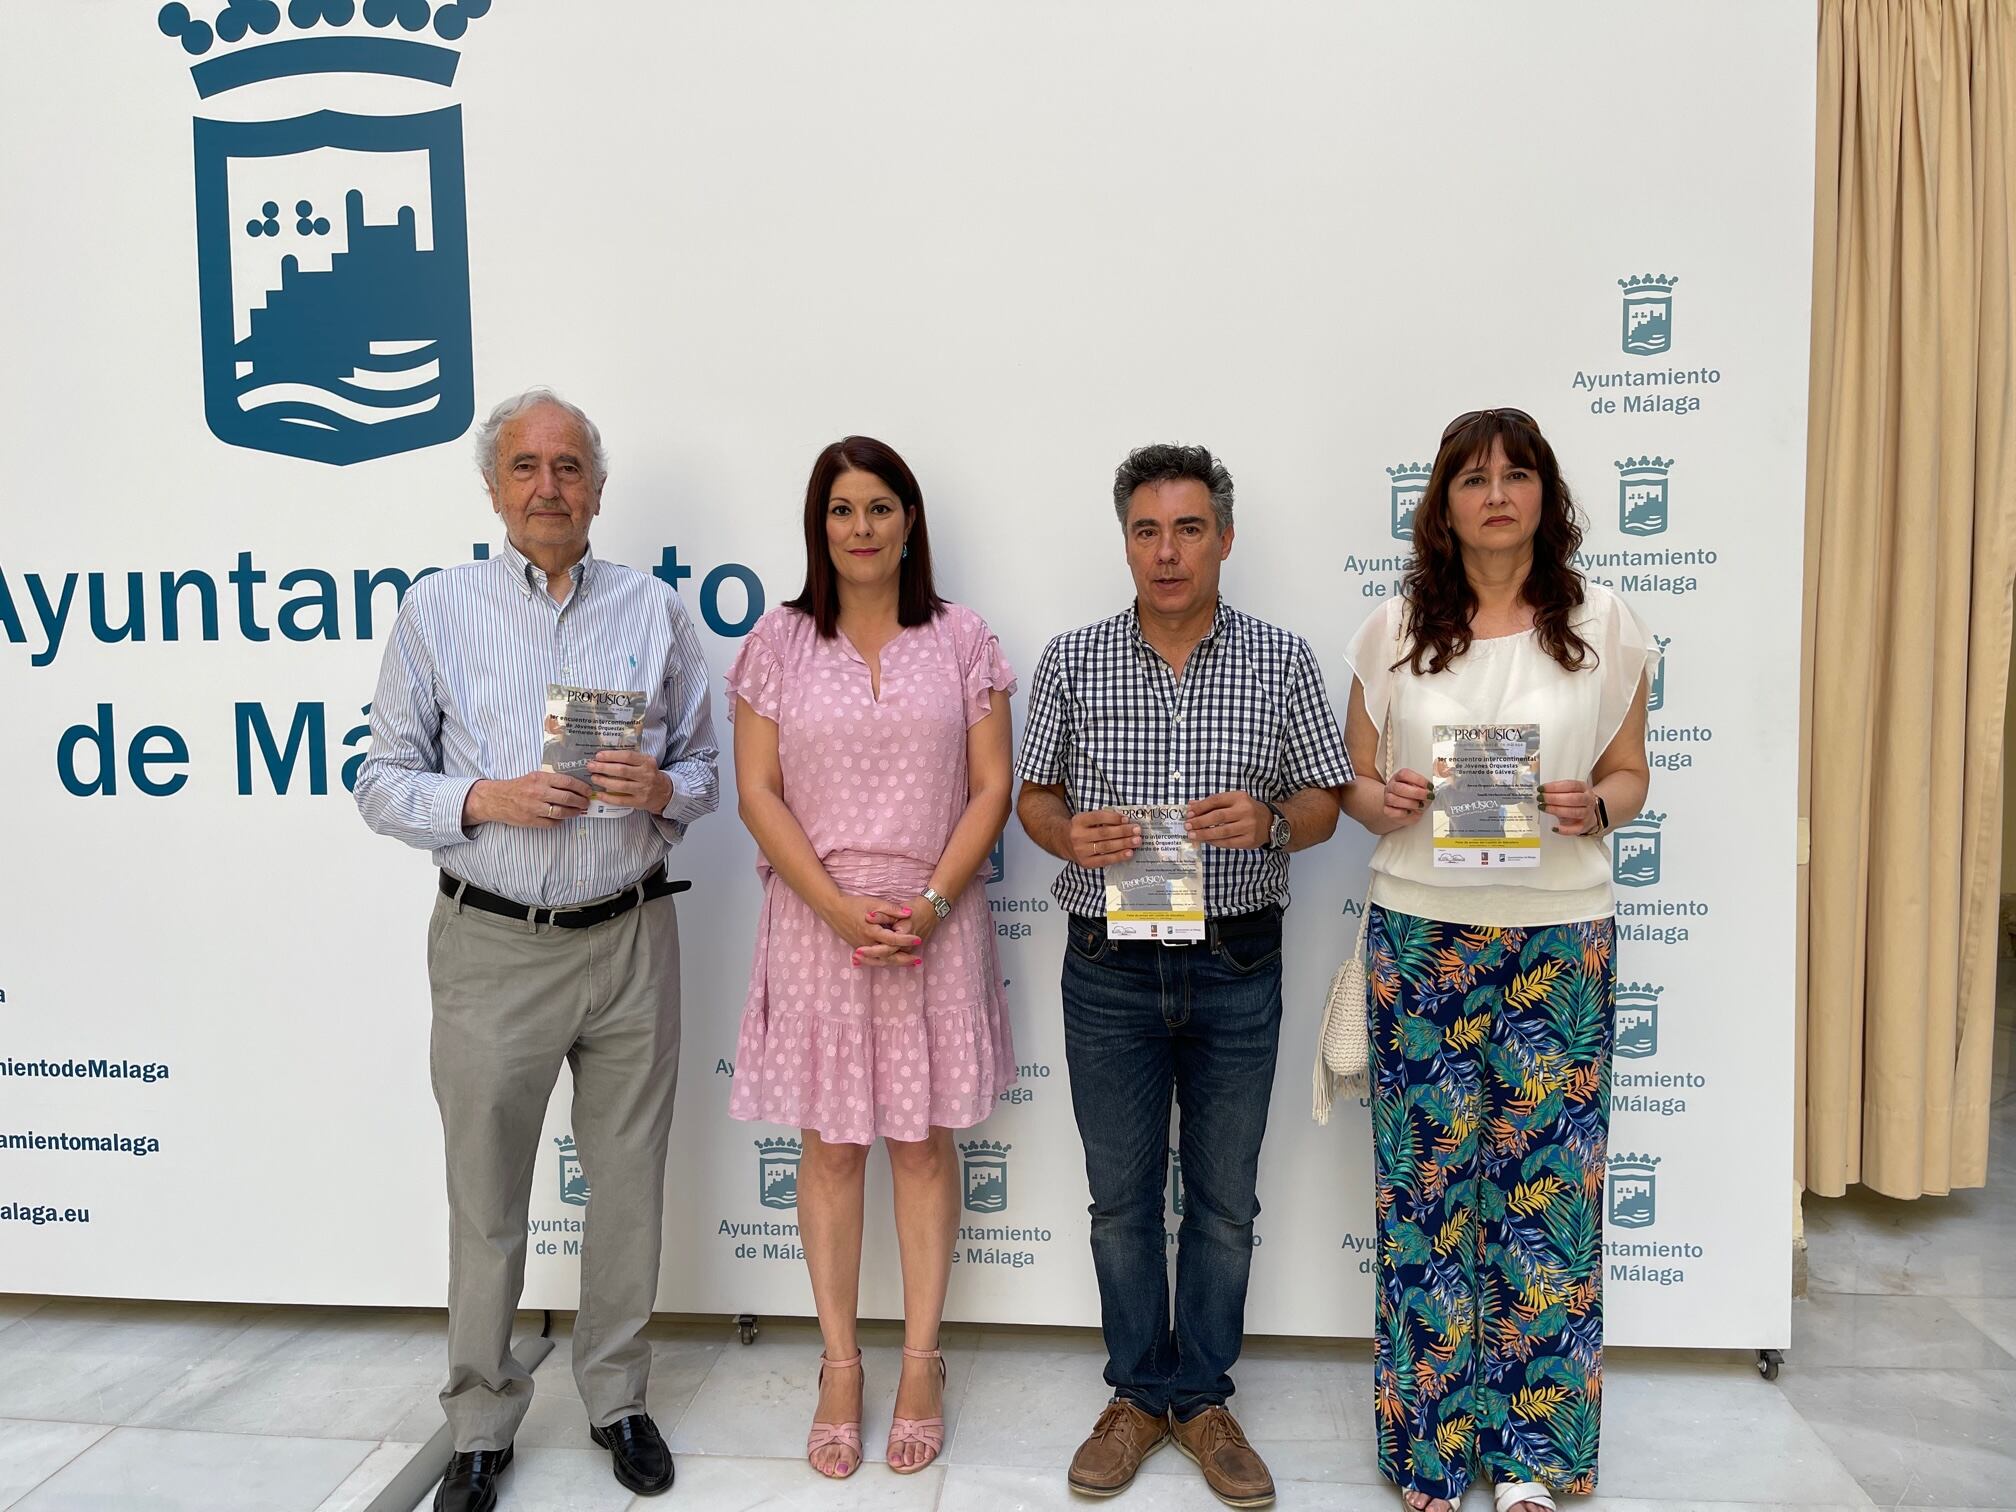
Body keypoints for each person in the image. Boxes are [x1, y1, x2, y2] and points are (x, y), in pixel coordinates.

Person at [355, 389, 718, 1512]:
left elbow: (706, 770)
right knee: (486, 1196)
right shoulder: (437, 609)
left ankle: (617, 1398)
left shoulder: (654, 611)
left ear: (599, 490)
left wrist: (663, 786)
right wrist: (483, 797)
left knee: (627, 1192)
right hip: (492, 948)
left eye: (570, 467)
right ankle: (478, 1420)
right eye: (528, 467)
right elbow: (377, 778)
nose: (550, 486)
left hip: (630, 938)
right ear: (495, 487)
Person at [1016, 443, 1353, 1509]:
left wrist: (1268, 820)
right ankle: (1135, 1395)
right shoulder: (1071, 660)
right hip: (1108, 962)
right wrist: (1071, 837)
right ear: (1124, 540)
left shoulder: (1282, 659)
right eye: (1148, 530)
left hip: (1235, 955)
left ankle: (1199, 1396)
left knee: (1222, 1202)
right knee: (1119, 1202)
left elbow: (1325, 803)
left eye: (1189, 528)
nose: (1168, 552)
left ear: (1225, 538)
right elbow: (1033, 799)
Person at [1338, 408, 1657, 1512]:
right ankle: (1431, 1455)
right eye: (1473, 477)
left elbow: (1631, 775)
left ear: (1545, 494)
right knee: (1427, 1199)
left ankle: (1531, 1459)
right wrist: (1392, 800)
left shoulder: (1607, 626)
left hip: (1559, 938)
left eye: (1517, 473)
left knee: (1545, 1201)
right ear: (1444, 503)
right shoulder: (1390, 631)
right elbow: (1356, 789)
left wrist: (1592, 805)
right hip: (1419, 934)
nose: (1497, 493)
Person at [726, 436, 1017, 1480]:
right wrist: (839, 909)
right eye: (842, 510)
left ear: (909, 521)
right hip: (818, 924)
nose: (861, 528)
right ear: (820, 525)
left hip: (934, 922)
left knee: (924, 1148)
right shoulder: (777, 643)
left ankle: (924, 1364)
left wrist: (934, 900)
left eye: (880, 508)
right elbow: (758, 792)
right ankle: (841, 1367)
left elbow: (992, 785)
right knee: (834, 1149)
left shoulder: (963, 638)